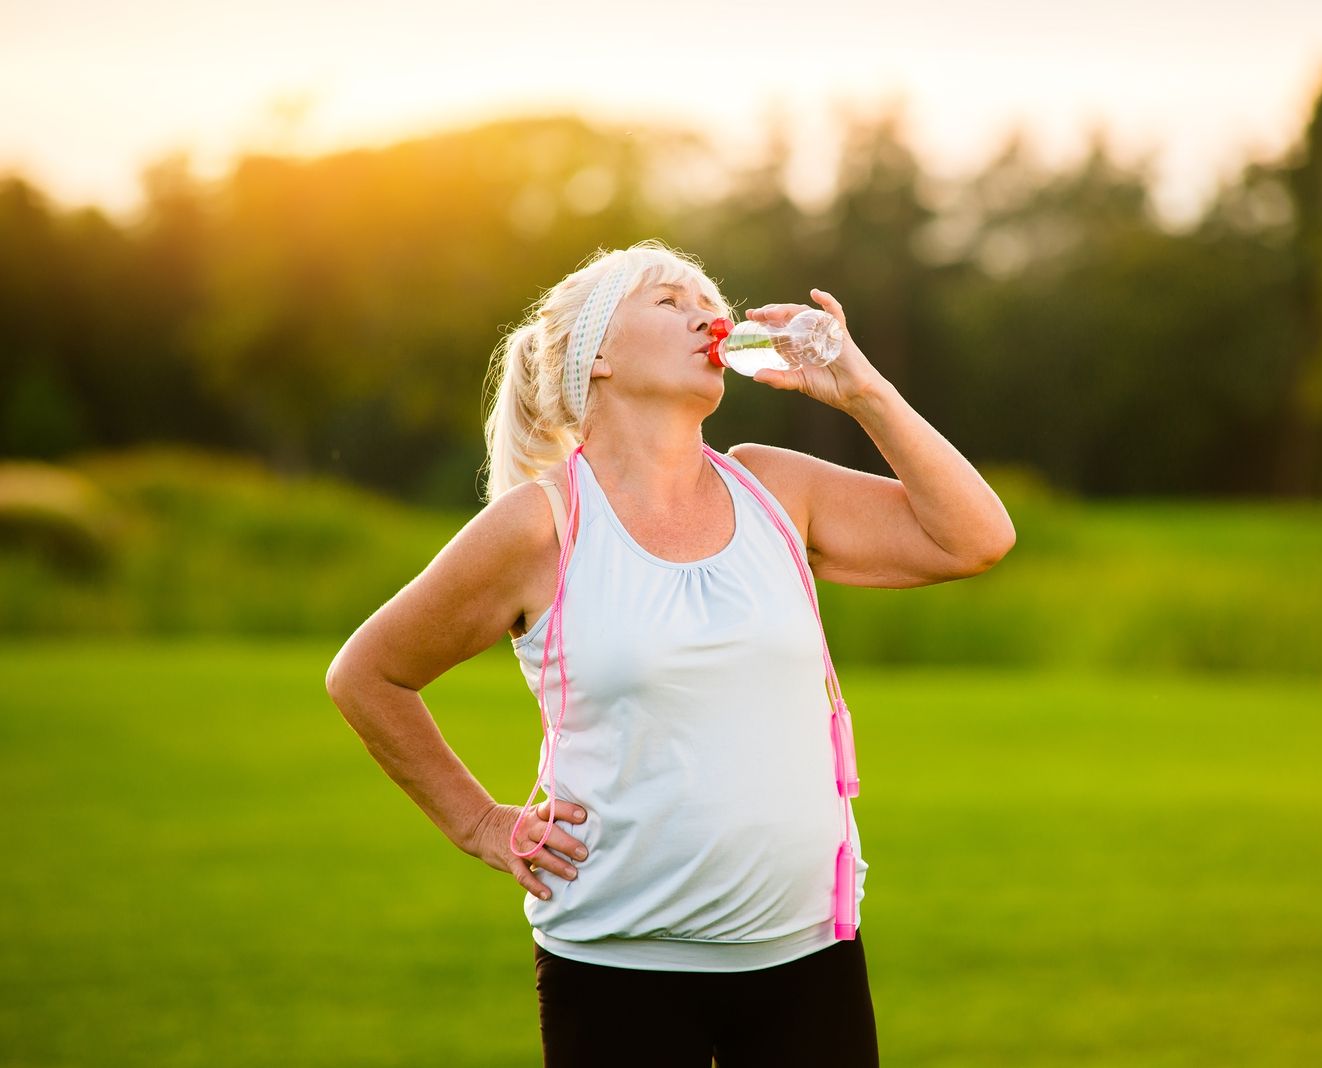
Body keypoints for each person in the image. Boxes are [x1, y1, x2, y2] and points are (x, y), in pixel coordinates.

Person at [325, 239, 1015, 1066]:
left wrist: (862, 391)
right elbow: (368, 674)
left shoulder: (774, 488)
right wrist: (480, 823)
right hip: (618, 973)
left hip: (811, 956)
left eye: (709, 299)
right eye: (669, 300)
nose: (708, 314)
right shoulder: (539, 528)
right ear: (599, 358)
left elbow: (977, 538)